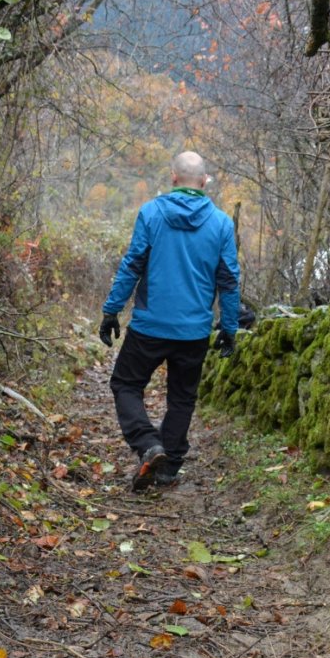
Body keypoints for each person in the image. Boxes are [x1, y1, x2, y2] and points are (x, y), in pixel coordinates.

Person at [99, 151, 240, 491]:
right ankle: (168, 466)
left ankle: (149, 444)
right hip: (193, 331)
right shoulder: (221, 223)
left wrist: (112, 310)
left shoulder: (151, 213)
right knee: (182, 397)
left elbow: (132, 264)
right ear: (203, 182)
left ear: (173, 178)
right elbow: (229, 280)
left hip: (150, 324)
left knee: (125, 384)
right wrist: (229, 327)